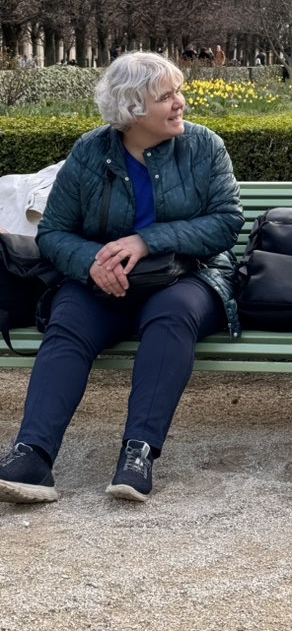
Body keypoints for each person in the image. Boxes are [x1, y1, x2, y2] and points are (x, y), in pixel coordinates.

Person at [0, 52, 243, 505]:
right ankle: (31, 454)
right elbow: (54, 232)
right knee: (69, 319)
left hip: (188, 276)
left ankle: (138, 454)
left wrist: (147, 241)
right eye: (166, 96)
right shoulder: (91, 152)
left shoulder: (204, 146)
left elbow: (227, 222)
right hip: (103, 283)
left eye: (178, 92)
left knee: (172, 316)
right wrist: (93, 262)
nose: (180, 103)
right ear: (132, 108)